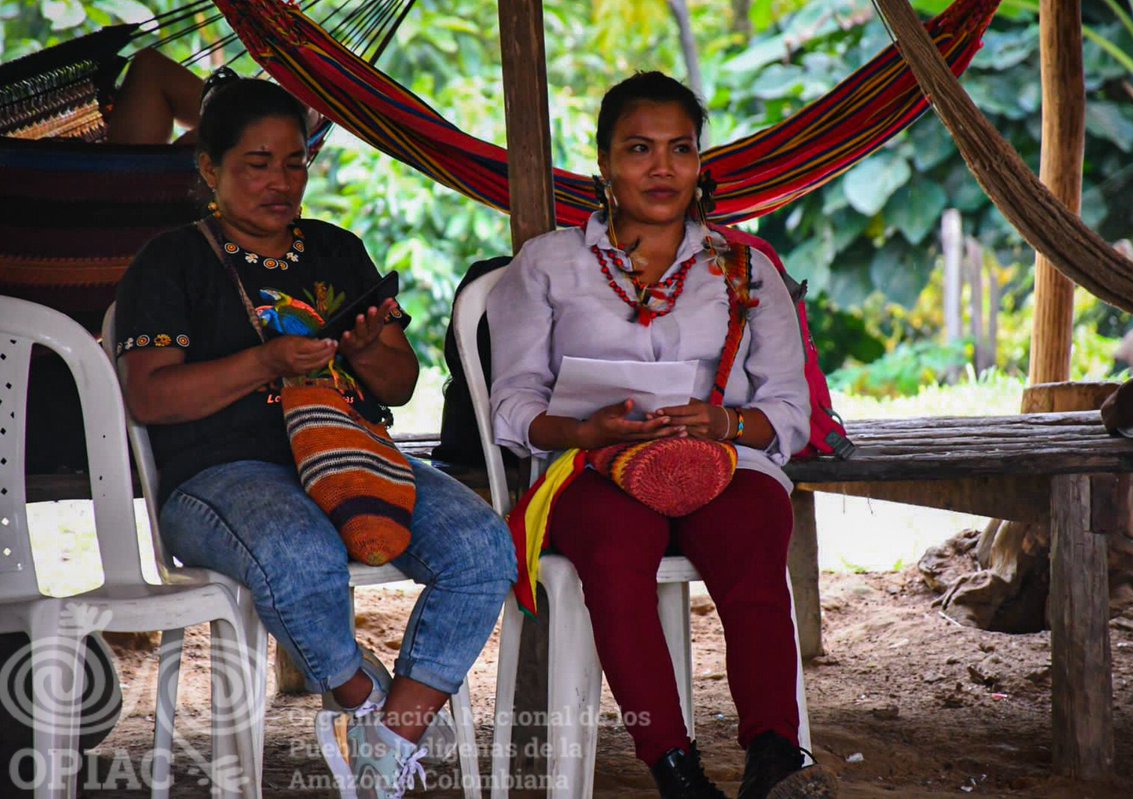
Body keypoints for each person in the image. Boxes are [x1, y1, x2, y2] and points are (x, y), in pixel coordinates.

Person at [114, 75, 516, 798]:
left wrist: (364, 350)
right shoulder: (170, 261)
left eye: (294, 162)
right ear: (210, 168)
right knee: (301, 553)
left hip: (351, 457)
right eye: (256, 164)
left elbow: (397, 384)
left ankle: (392, 734)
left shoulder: (336, 250)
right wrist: (266, 361)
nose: (280, 181)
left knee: (483, 547)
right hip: (218, 476)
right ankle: (362, 700)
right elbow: (148, 394)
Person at [487, 72, 837, 799]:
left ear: (700, 163)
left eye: (681, 149)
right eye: (639, 149)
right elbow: (513, 408)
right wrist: (586, 428)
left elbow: (789, 408)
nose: (662, 167)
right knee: (613, 552)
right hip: (591, 467)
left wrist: (725, 423)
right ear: (605, 163)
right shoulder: (546, 265)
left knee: (756, 523)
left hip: (722, 461)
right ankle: (674, 766)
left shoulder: (746, 268)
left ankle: (774, 755)